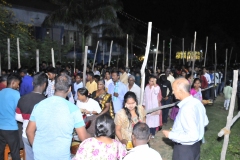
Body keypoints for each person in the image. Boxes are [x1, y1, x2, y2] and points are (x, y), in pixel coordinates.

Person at [26, 74, 90, 160]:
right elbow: (84, 138)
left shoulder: (39, 105)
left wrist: (36, 148)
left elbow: (29, 131)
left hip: (39, 155)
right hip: (61, 156)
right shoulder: (74, 109)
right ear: (70, 89)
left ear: (53, 86)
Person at [162, 78, 209, 160]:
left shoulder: (186, 109)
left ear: (181, 91)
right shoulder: (197, 102)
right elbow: (205, 122)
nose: (173, 92)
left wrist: (170, 135)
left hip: (184, 151)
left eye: (173, 90)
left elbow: (192, 136)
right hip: (195, 148)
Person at [15, 72, 47, 160]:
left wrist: (27, 120)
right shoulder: (46, 101)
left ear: (33, 83)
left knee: (29, 157)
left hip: (25, 134)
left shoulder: (22, 98)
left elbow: (17, 117)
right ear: (44, 85)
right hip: (40, 136)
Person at [0, 74, 21, 160]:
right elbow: (18, 110)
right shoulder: (16, 93)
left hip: (0, 127)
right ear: (13, 83)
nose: (18, 86)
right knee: (15, 152)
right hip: (11, 127)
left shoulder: (0, 92)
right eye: (17, 84)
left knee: (0, 151)